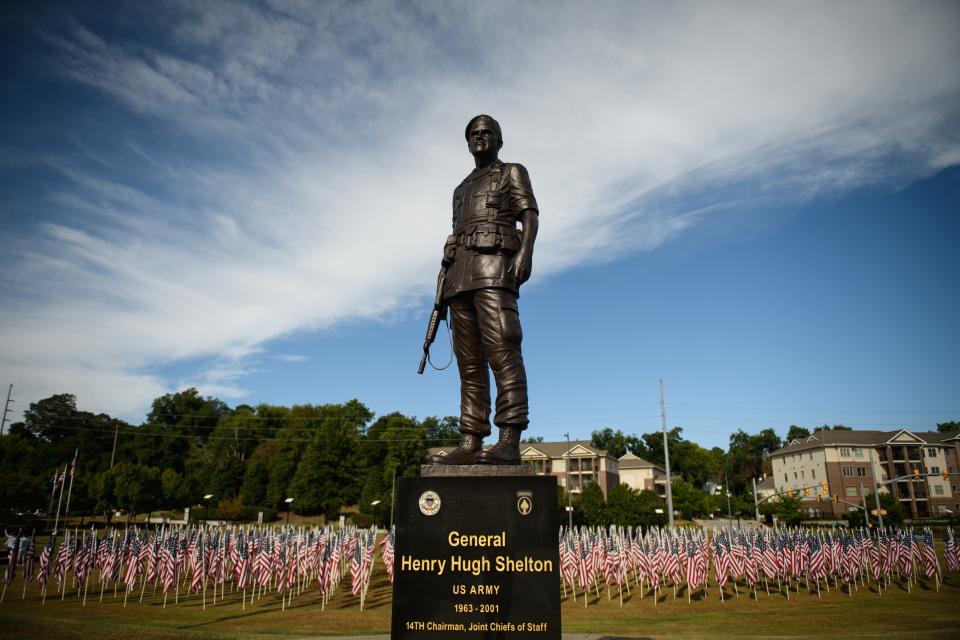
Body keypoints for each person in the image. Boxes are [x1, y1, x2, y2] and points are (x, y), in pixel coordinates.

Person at [428, 115, 539, 465]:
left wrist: (525, 253)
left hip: (494, 271)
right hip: (459, 277)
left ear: (499, 141)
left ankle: (509, 438)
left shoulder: (512, 172)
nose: (480, 138)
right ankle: (470, 440)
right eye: (474, 134)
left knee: (503, 351)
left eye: (487, 133)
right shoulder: (460, 189)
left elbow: (530, 215)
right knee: (469, 365)